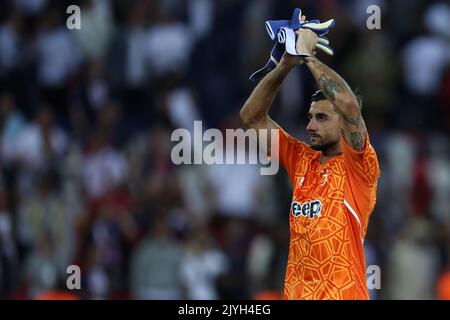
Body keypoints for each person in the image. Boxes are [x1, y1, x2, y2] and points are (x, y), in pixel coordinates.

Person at [239, 15, 380, 300]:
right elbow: (251, 117)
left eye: (321, 118)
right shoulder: (301, 159)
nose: (310, 126)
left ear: (343, 125)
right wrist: (286, 65)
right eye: (310, 117)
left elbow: (349, 105)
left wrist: (307, 56)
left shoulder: (360, 166)